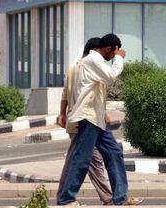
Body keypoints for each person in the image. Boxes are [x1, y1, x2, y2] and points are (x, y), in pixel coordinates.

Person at [57, 34, 143, 206]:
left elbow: (96, 93)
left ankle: (121, 197)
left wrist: (103, 113)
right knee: (82, 158)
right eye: (113, 53)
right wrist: (119, 59)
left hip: (97, 119)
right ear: (110, 49)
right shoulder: (92, 59)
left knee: (114, 153)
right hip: (88, 118)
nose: (112, 58)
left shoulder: (96, 62)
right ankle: (66, 199)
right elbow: (111, 77)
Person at [57, 37, 113, 205]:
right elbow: (68, 93)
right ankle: (108, 198)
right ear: (94, 51)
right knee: (89, 160)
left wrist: (103, 113)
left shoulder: (85, 67)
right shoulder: (80, 68)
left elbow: (95, 96)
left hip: (88, 120)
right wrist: (62, 114)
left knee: (78, 160)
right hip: (83, 121)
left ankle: (63, 197)